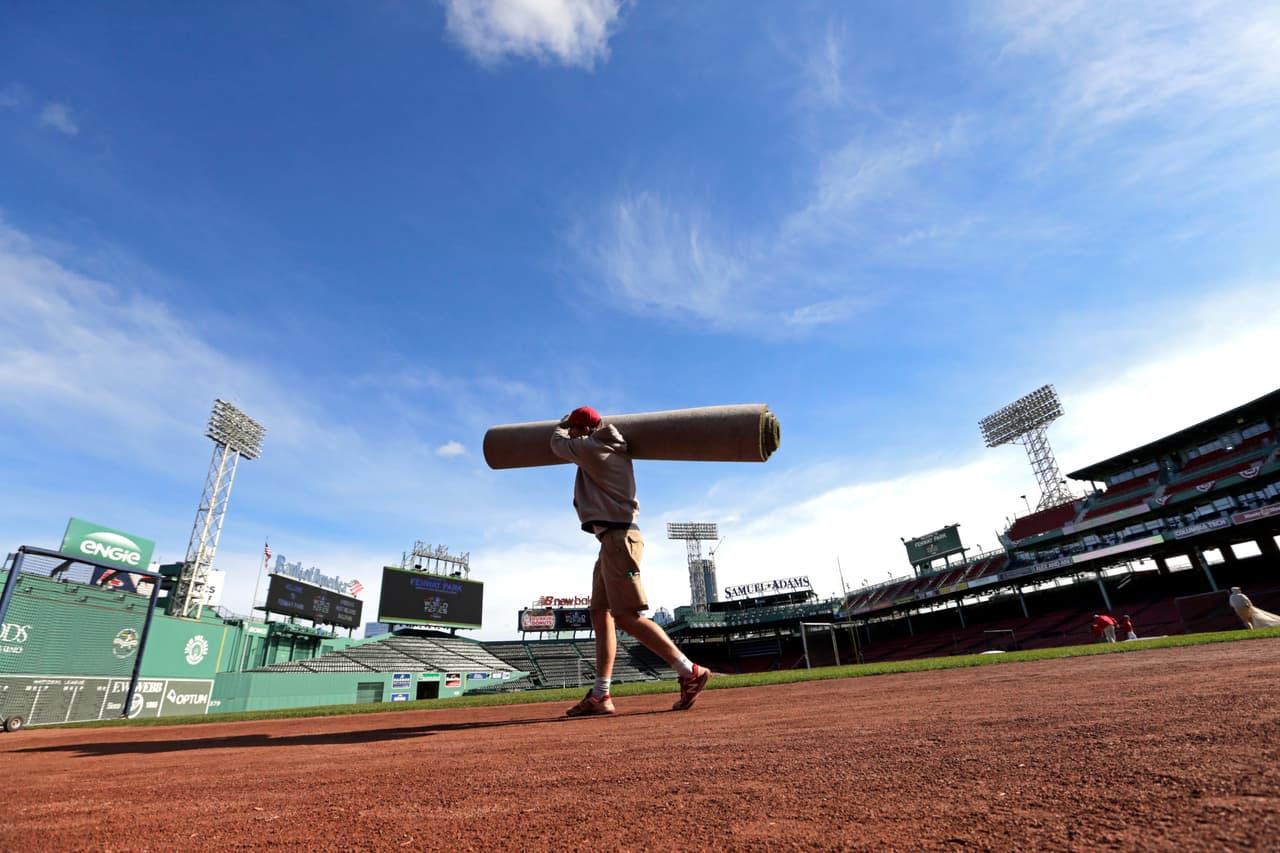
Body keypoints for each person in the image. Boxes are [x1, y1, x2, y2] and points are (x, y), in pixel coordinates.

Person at [550, 406, 711, 717]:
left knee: (626, 616)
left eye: (573, 428)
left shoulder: (593, 447)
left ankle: (689, 670)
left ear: (582, 430)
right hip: (611, 541)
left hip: (619, 539)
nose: (570, 433)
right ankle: (601, 695)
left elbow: (557, 444)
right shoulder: (602, 445)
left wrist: (561, 424)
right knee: (600, 612)